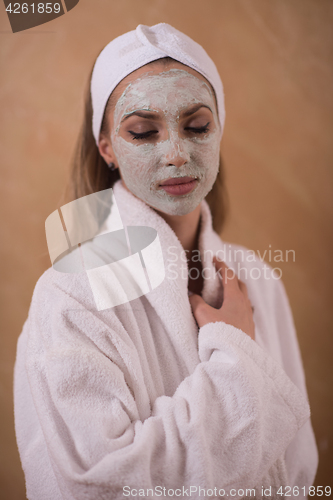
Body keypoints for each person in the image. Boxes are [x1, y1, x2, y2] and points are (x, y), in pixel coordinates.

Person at [14, 23, 318, 500]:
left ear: (219, 129)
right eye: (142, 132)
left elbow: (297, 469)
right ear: (107, 147)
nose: (177, 154)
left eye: (197, 126)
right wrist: (236, 355)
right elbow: (103, 484)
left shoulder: (259, 278)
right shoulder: (70, 294)